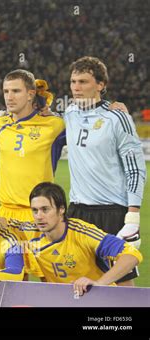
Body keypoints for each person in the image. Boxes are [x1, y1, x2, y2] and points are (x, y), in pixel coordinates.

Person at [63, 56, 146, 286]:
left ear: (100, 85)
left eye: (83, 82)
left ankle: (122, 322)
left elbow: (136, 167)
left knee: (121, 283)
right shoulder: (69, 113)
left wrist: (132, 215)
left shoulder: (117, 117)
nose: (76, 88)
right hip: (77, 211)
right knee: (74, 278)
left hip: (111, 211)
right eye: (73, 82)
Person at [11, 182, 142, 295]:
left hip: (97, 297)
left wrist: (99, 283)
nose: (39, 216)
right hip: (62, 299)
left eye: (45, 209)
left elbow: (132, 255)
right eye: (35, 210)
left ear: (61, 209)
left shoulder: (82, 233)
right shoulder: (29, 231)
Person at [0, 70, 66, 223]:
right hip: (4, 214)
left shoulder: (54, 124)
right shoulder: (0, 123)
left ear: (30, 94)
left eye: (16, 91)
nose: (9, 97)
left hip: (38, 214)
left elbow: (86, 136)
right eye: (6, 91)